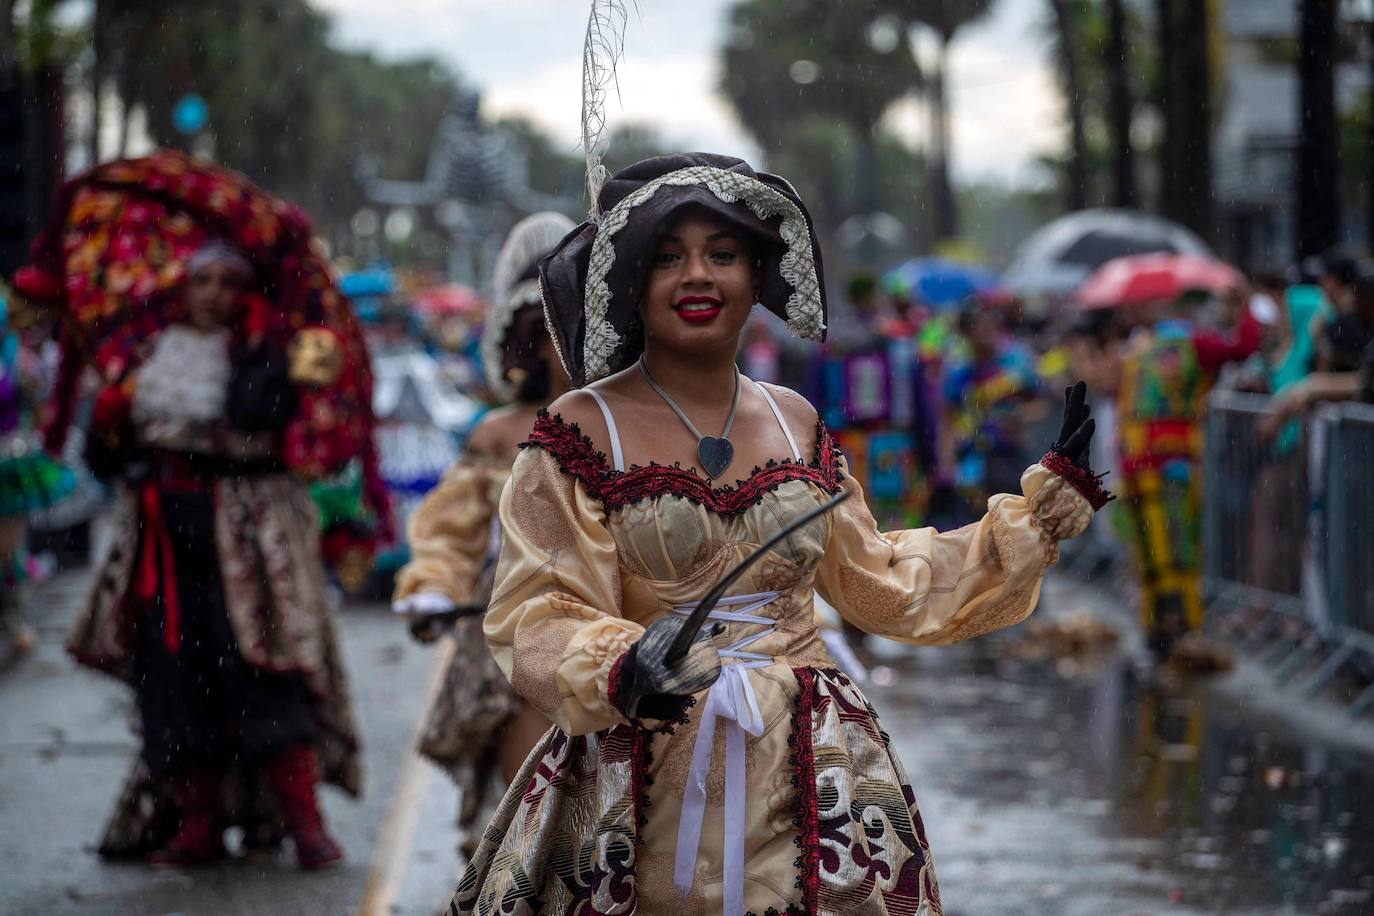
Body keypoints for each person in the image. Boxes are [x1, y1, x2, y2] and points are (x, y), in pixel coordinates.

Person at [451, 153, 1109, 916]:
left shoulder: (796, 421)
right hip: (637, 779)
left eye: (722, 255)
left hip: (812, 778)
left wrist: (1034, 515)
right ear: (633, 279)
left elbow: (881, 581)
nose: (697, 276)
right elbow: (536, 609)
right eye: (669, 257)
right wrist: (620, 667)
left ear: (759, 274)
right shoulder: (576, 430)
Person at [68, 242, 360, 869]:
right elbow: (106, 462)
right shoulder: (143, 355)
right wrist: (110, 419)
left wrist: (263, 356)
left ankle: (302, 820)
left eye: (230, 283)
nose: (215, 295)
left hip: (248, 536)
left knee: (262, 663)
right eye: (204, 280)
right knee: (173, 674)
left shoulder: (267, 350)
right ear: (181, 285)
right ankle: (197, 823)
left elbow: (258, 416)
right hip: (164, 535)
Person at [391, 212, 574, 852]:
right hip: (515, 630)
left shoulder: (644, 430)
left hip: (622, 627)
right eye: (553, 332)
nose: (570, 346)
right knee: (526, 803)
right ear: (531, 345)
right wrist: (434, 585)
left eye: (582, 326)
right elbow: (450, 529)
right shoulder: (497, 434)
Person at [1116, 287, 1261, 661]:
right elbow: (1243, 347)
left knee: (1165, 543)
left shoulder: (1163, 345)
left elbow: (1243, 348)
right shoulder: (1166, 345)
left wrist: (1241, 309)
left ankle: (1168, 626)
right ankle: (1168, 626)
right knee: (1166, 545)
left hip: (1155, 463)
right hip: (1157, 463)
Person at [0, 288, 75, 657]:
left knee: (8, 550)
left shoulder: (18, 359)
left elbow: (42, 400)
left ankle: (14, 620)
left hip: (10, 466)